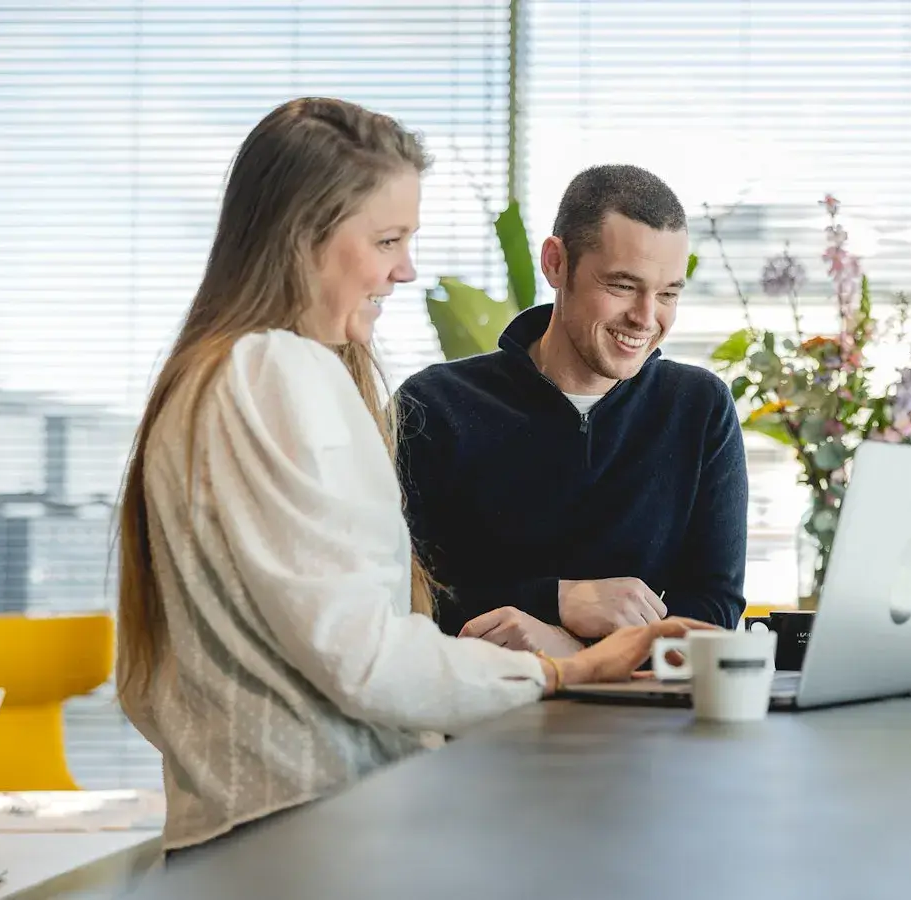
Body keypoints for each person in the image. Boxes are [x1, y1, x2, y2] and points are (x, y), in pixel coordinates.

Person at [113, 98, 713, 863]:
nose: (407, 269)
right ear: (304, 236)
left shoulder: (225, 373)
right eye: (387, 239)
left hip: (271, 825)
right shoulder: (273, 374)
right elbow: (363, 656)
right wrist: (559, 668)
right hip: (302, 838)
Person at [396, 164, 749, 653]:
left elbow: (716, 610)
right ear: (556, 263)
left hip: (647, 722)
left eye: (667, 293)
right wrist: (559, 600)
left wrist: (572, 651)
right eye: (623, 286)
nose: (646, 319)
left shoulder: (699, 408)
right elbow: (408, 601)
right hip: (481, 715)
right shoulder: (434, 406)